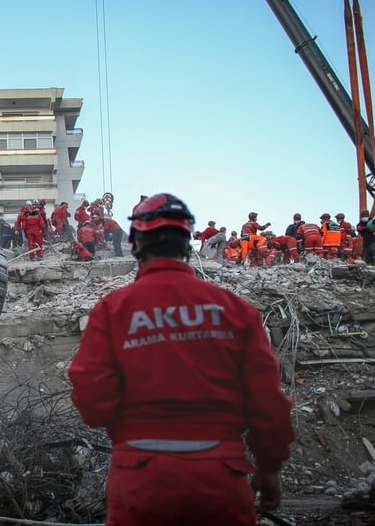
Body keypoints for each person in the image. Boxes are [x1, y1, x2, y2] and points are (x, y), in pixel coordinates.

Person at [68, 193, 294, 525]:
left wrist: (128, 424)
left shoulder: (113, 310)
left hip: (140, 476)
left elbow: (91, 398)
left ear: (136, 242)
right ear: (187, 240)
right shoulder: (235, 311)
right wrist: (270, 465)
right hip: (220, 475)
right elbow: (267, 401)